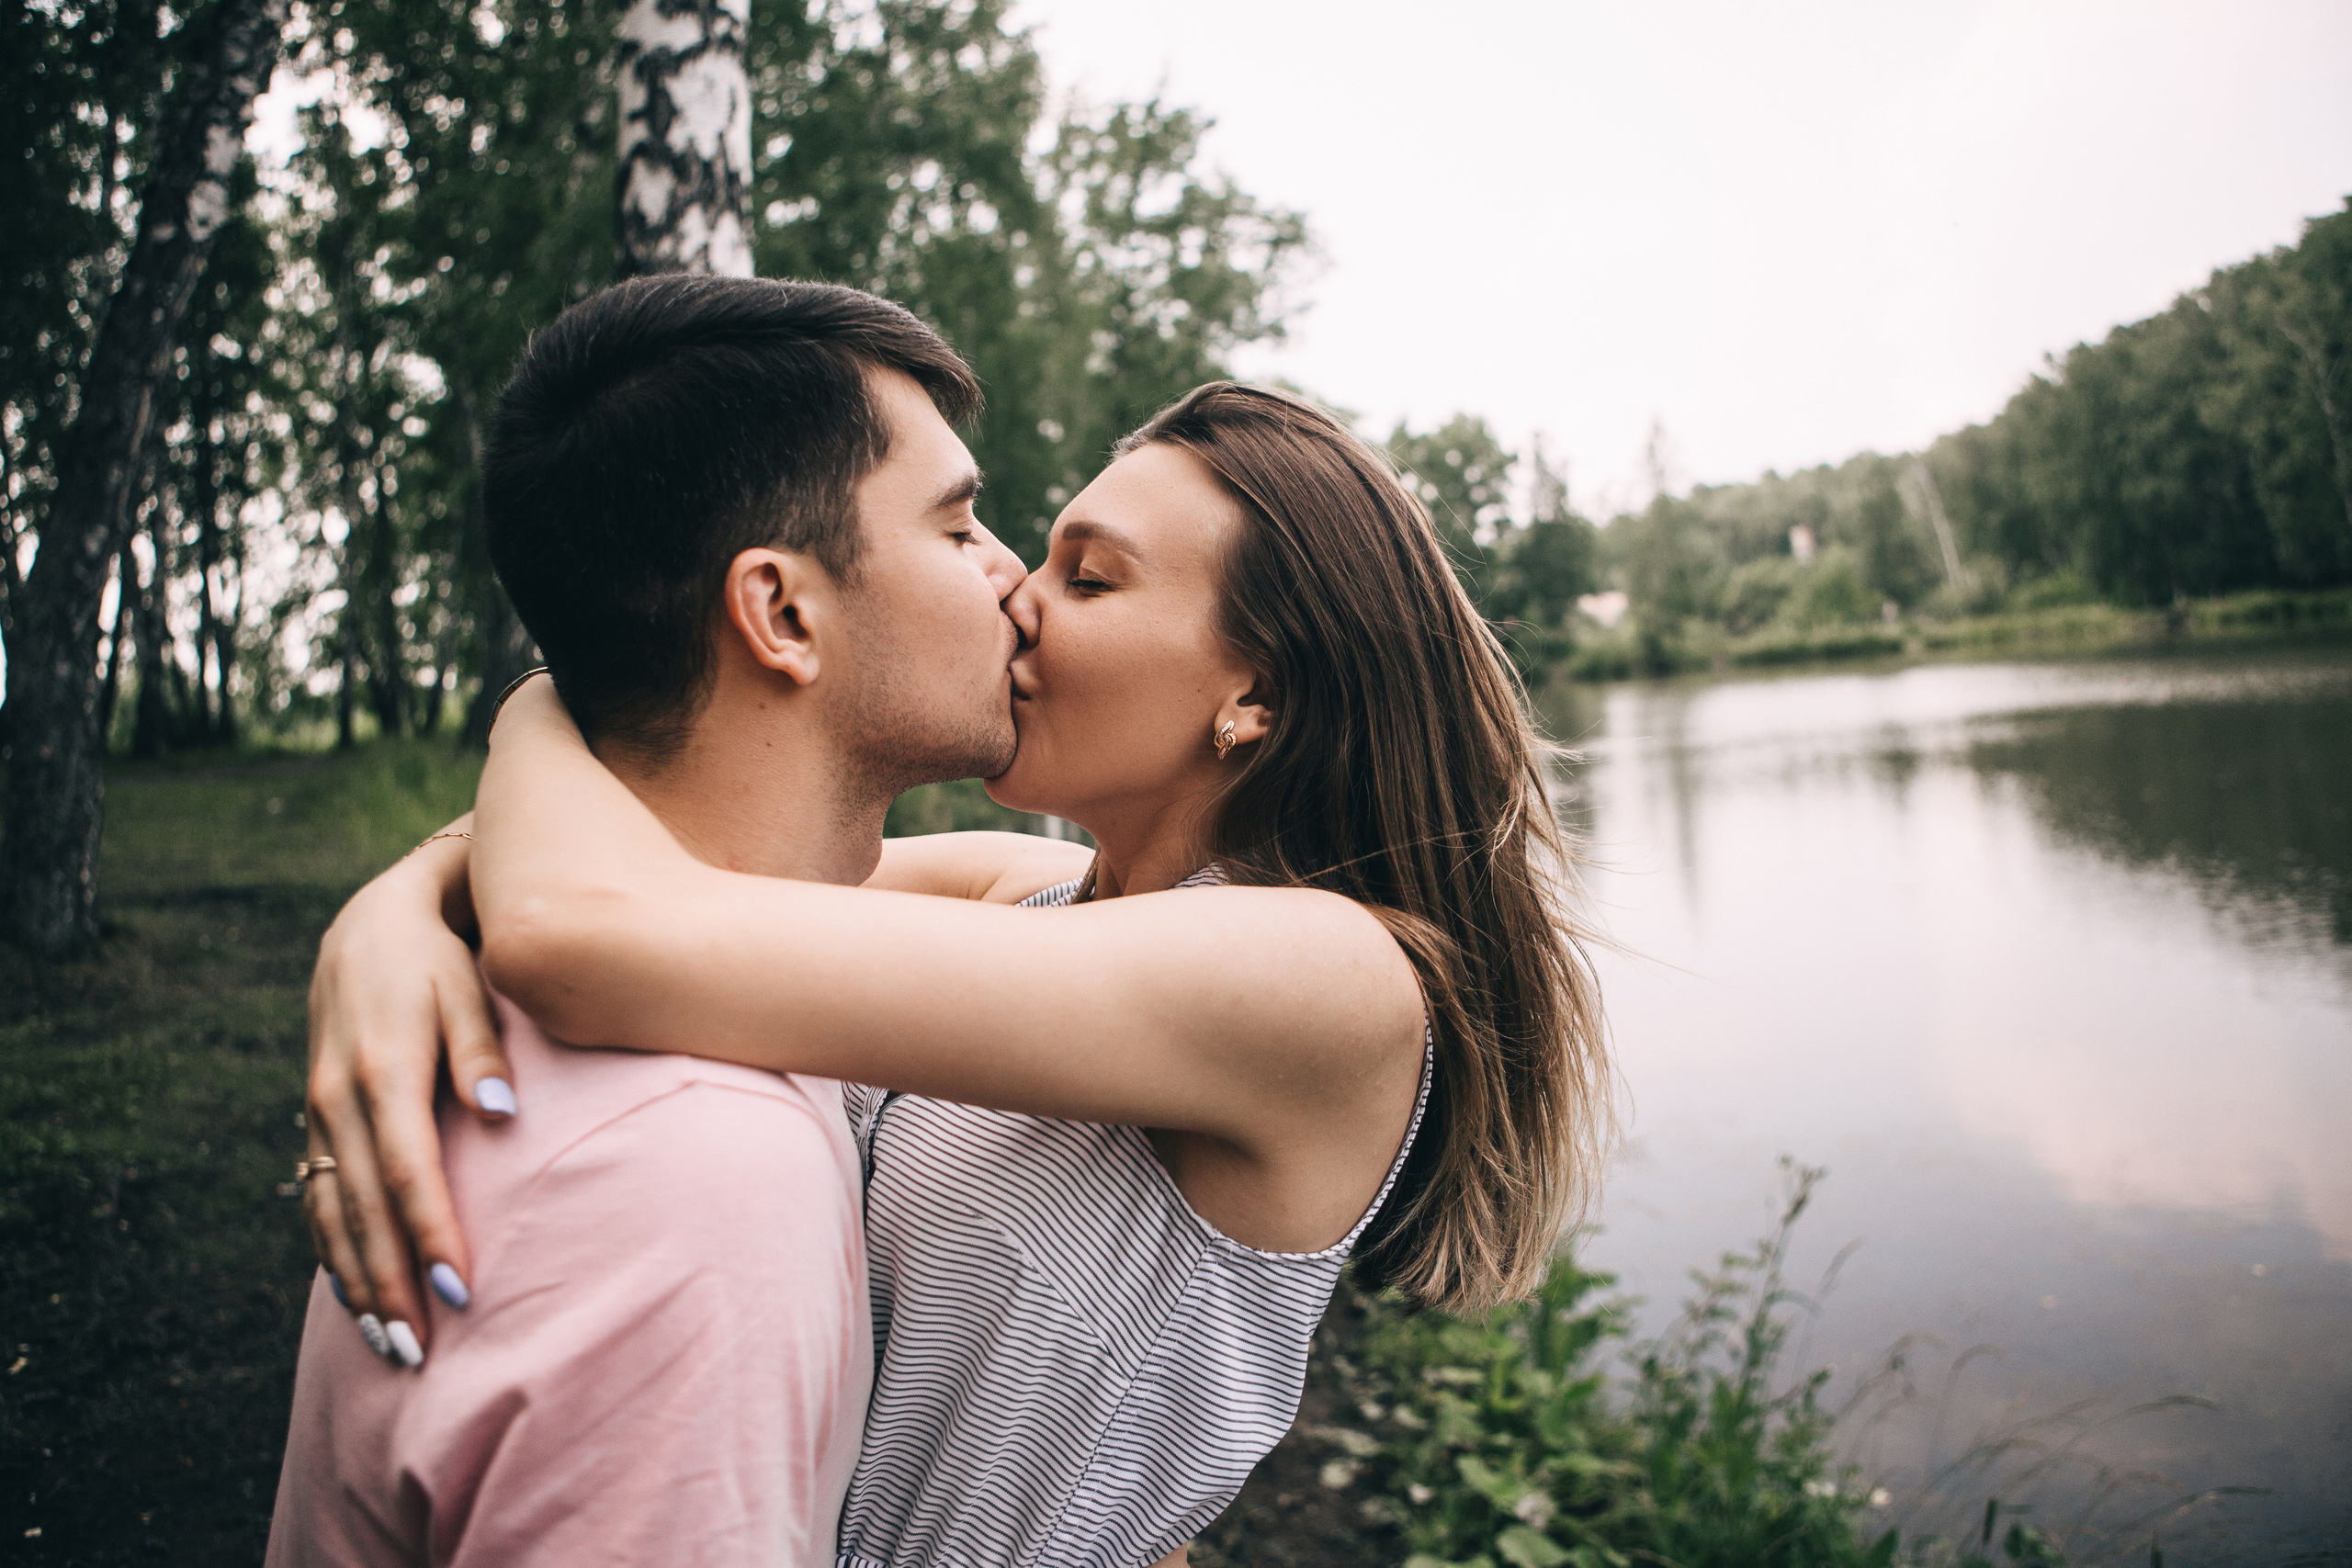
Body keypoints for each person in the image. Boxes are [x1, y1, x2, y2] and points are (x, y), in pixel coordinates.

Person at [306, 358, 1612, 1565]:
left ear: (1254, 697)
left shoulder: (1325, 981)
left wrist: (539, 699)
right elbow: (673, 856)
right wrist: (396, 910)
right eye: (1030, 552)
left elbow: (583, 931)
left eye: (1089, 580)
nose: (1015, 595)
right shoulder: (1030, 892)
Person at [268, 276, 1041, 1566]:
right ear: (782, 613)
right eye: (960, 528)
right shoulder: (692, 1185)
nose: (1014, 578)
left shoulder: (716, 964)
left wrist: (406, 885)